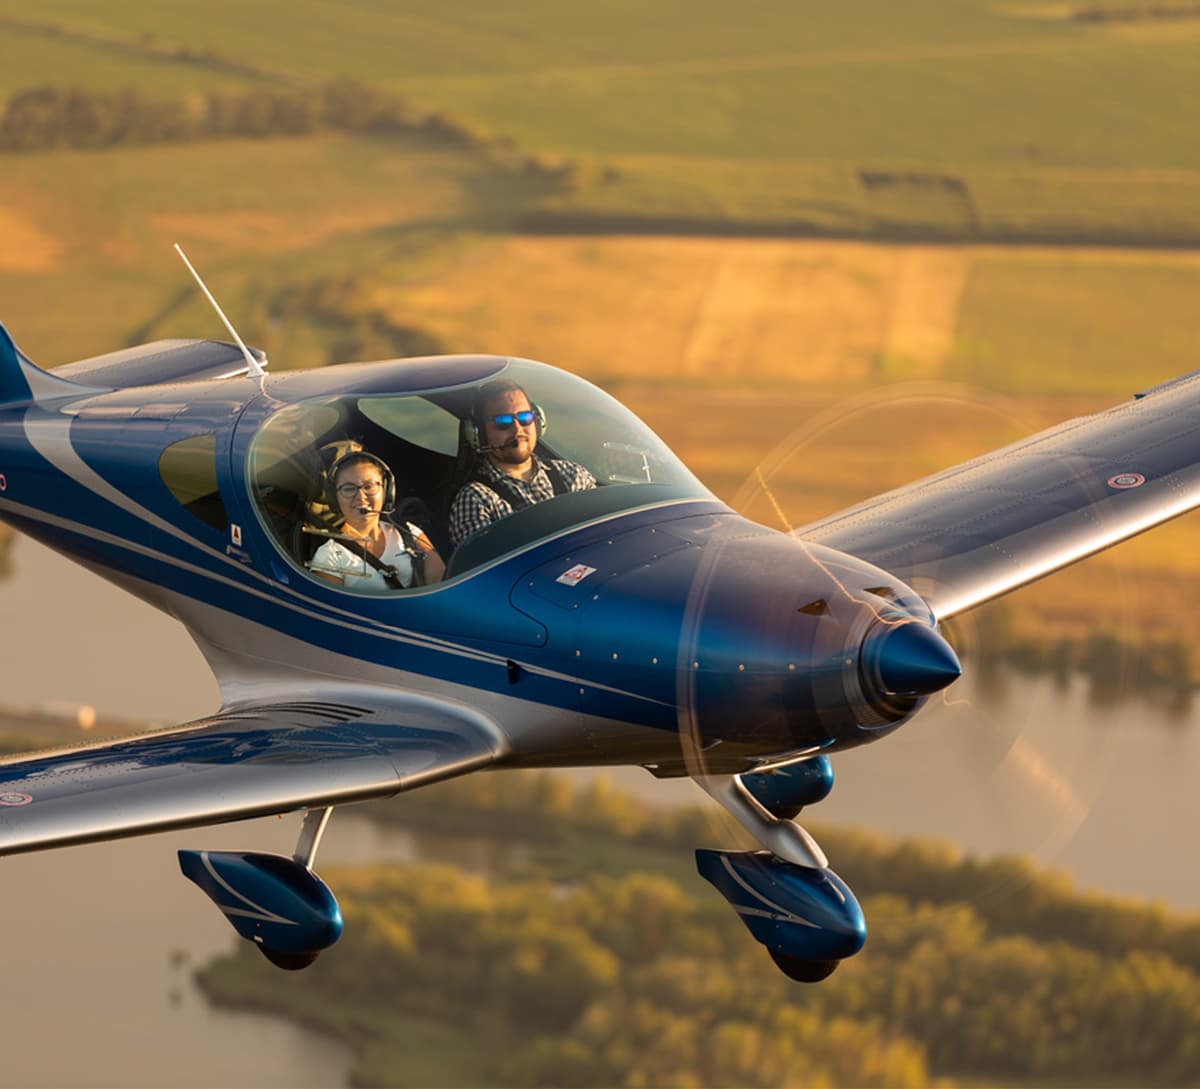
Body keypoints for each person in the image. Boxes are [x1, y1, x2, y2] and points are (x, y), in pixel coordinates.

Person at [449, 380, 596, 547]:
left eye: (525, 418)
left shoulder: (572, 476)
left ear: (538, 422)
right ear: (478, 433)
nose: (517, 430)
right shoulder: (476, 499)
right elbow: (487, 561)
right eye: (503, 422)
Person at [310, 450, 445, 590]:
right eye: (349, 489)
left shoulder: (407, 532)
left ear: (386, 491)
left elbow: (440, 582)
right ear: (335, 498)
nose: (360, 497)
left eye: (369, 486)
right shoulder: (329, 556)